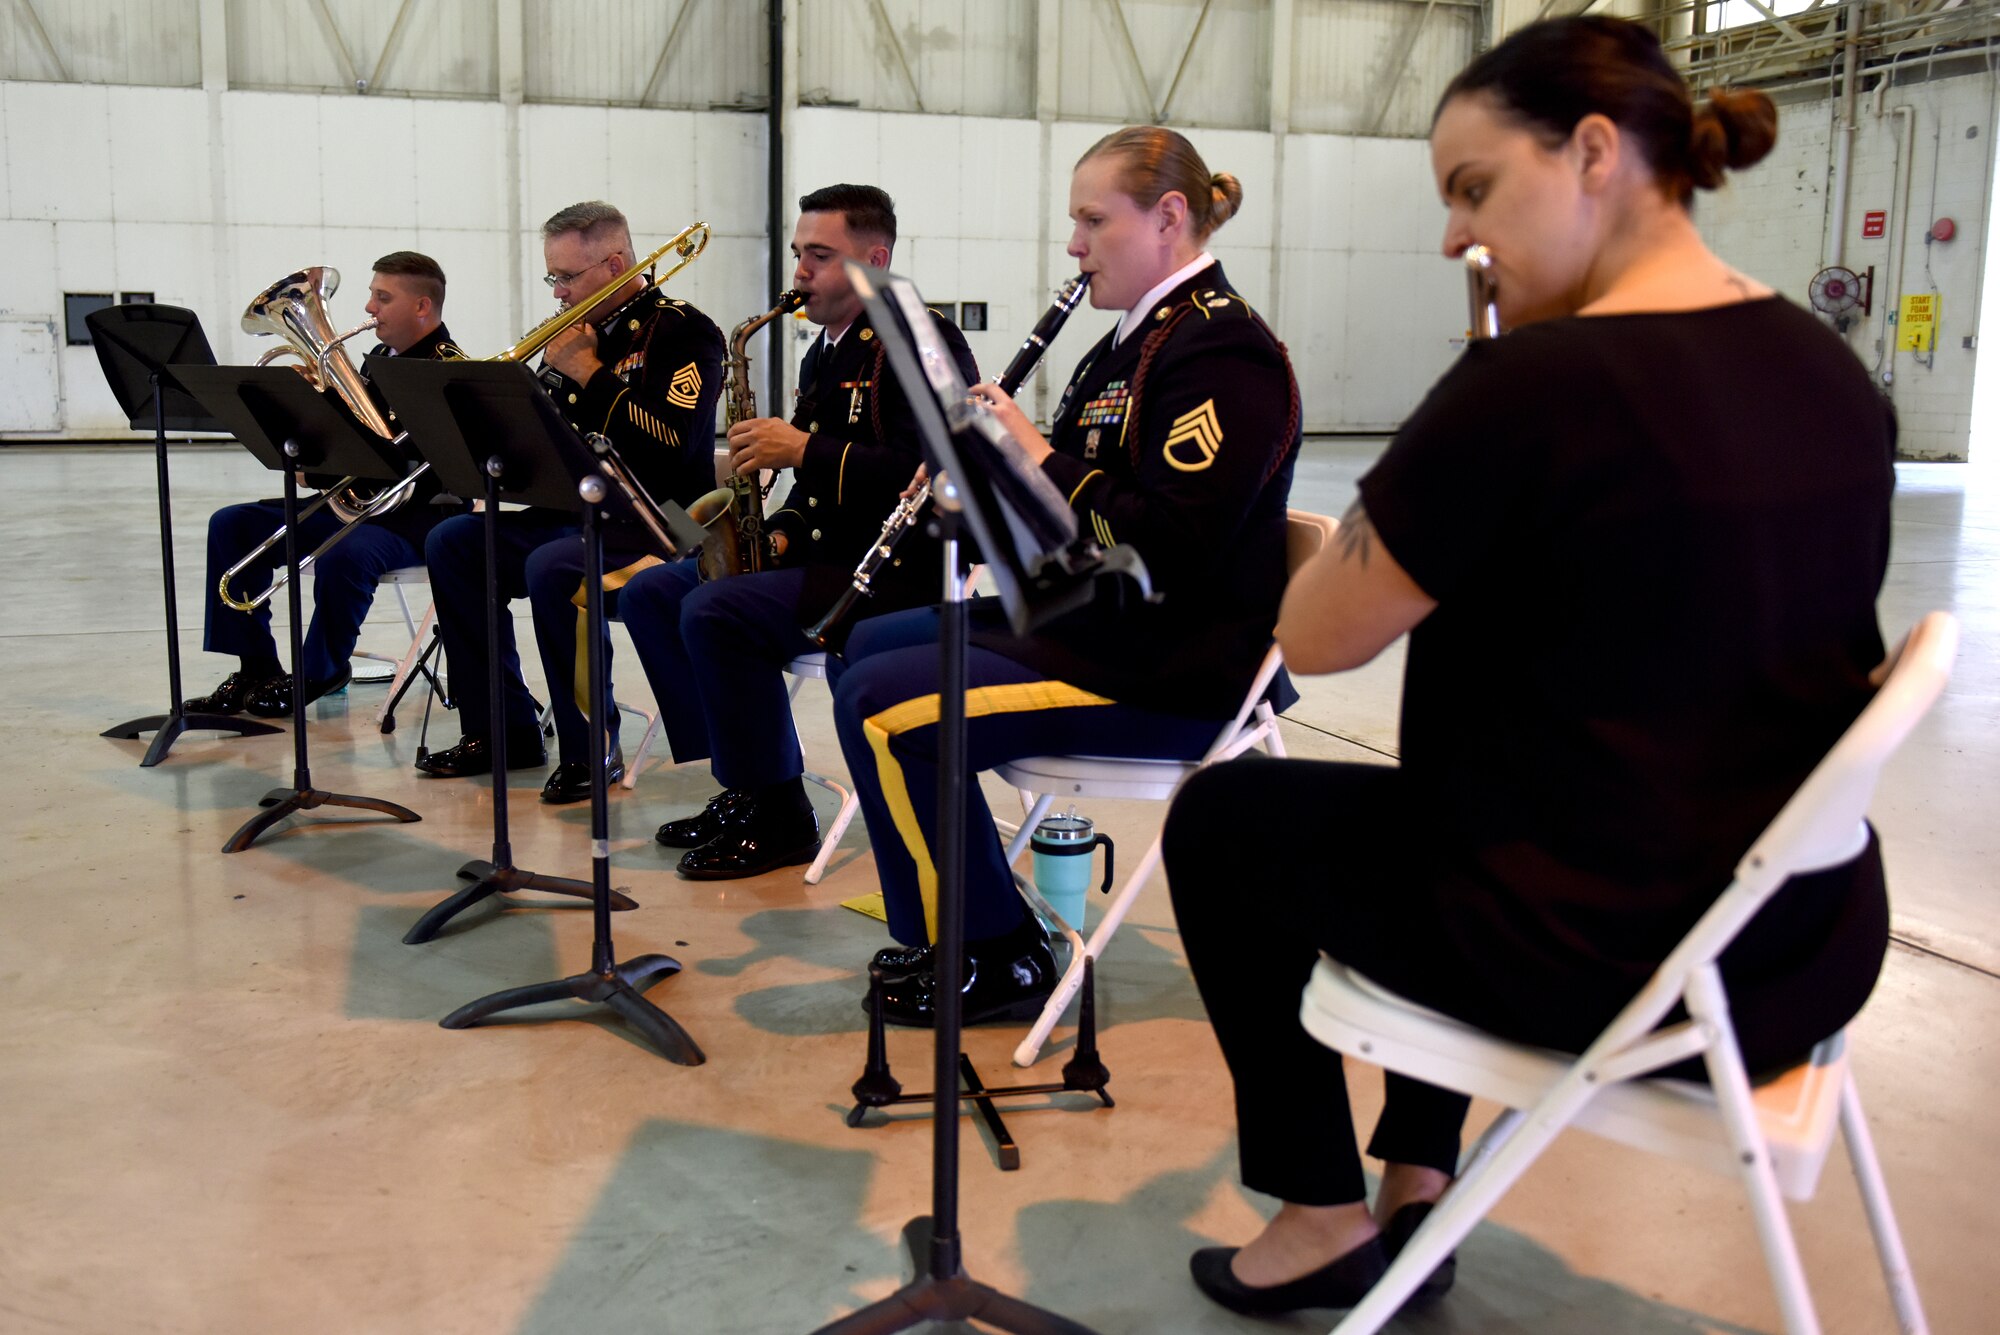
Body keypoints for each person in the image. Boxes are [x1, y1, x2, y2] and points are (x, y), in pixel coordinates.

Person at [1159, 17, 1897, 1319]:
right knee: (1454, 782)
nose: (1455, 235)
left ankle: (1323, 1207)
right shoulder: (1828, 367)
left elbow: (1318, 634)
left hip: (1618, 959)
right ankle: (1419, 1180)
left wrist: (1453, 431)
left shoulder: (1538, 382)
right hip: (1799, 943)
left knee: (1228, 817)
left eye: (1474, 187)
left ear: (1596, 153)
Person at [829, 127, 1301, 1026]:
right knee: (866, 644)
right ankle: (954, 924)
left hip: (1174, 664)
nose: (1074, 246)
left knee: (885, 705)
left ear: (1168, 219)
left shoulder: (1222, 351)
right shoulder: (1126, 342)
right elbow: (1074, 512)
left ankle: (993, 952)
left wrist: (1035, 451)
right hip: (1099, 622)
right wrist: (981, 479)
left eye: (1092, 220)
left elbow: (1171, 544)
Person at [619, 183, 978, 877]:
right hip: (821, 556)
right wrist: (777, 531)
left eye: (821, 255)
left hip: (893, 574)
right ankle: (745, 781)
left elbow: (934, 471)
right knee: (653, 594)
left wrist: (801, 450)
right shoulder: (828, 349)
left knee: (714, 610)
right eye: (797, 254)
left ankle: (780, 811)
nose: (800, 272)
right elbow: (813, 491)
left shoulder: (921, 341)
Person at [416, 201, 725, 802]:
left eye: (567, 277)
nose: (557, 293)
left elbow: (672, 445)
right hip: (577, 510)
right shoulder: (576, 333)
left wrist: (590, 373)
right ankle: (501, 731)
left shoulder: (684, 331)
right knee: (454, 543)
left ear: (613, 264)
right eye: (551, 277)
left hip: (658, 522)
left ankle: (591, 747)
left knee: (555, 567)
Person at [186, 251, 465, 718]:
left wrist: (326, 466)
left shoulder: (448, 368)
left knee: (347, 554)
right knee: (233, 525)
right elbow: (359, 442)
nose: (369, 309)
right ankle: (256, 667)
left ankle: (323, 670)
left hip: (422, 518)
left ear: (421, 307)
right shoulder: (379, 360)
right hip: (360, 507)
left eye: (382, 297)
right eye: (372, 295)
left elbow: (426, 470)